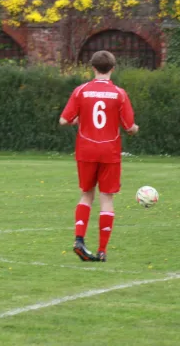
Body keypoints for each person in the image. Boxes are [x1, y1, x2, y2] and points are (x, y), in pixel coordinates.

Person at [59, 50, 139, 262]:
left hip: (85, 149)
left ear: (93, 68)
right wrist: (135, 129)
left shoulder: (81, 91)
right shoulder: (119, 93)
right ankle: (102, 250)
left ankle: (79, 239)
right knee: (107, 199)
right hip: (110, 151)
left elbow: (63, 120)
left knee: (87, 194)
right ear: (113, 68)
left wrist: (79, 120)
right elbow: (129, 126)